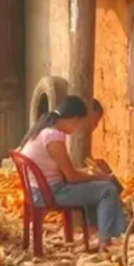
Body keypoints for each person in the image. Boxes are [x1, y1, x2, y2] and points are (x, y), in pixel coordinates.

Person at [19, 95, 126, 252]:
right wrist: (98, 176)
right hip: (50, 193)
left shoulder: (41, 131)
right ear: (74, 120)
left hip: (39, 190)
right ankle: (107, 241)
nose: (76, 128)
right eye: (78, 124)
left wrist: (90, 173)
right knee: (107, 190)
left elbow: (65, 171)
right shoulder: (53, 136)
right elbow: (71, 176)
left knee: (97, 186)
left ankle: (103, 232)